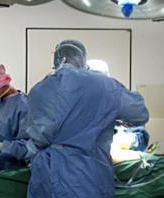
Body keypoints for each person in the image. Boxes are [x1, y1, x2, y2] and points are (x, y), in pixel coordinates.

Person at [25, 40, 149, 198]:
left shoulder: (38, 90)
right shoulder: (102, 84)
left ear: (57, 60)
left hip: (43, 175)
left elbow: (36, 136)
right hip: (83, 174)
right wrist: (109, 115)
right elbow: (139, 114)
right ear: (83, 59)